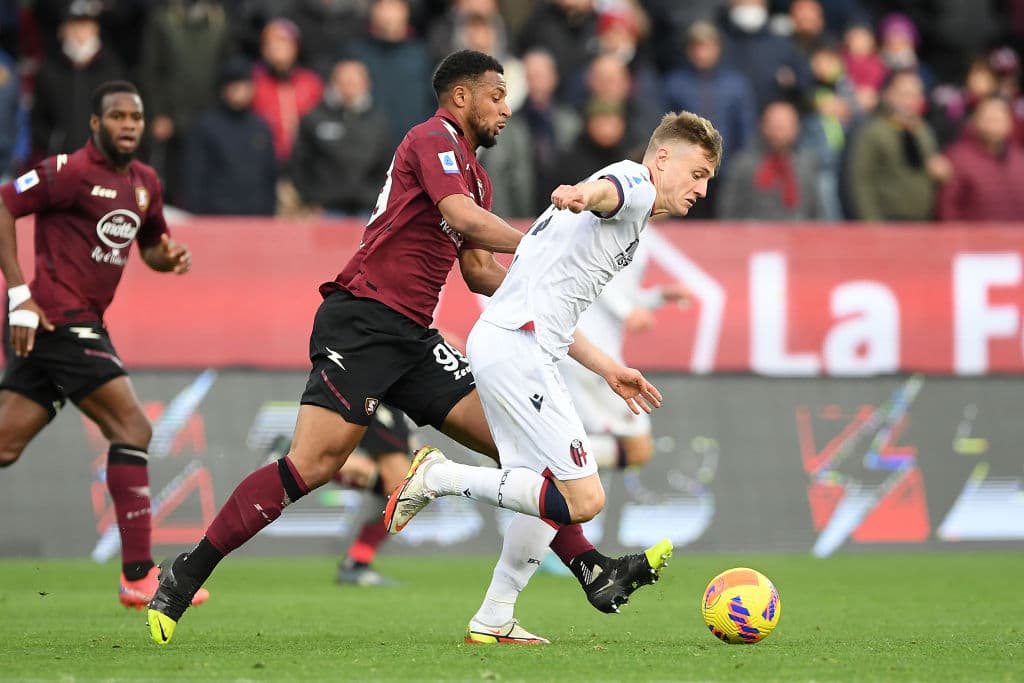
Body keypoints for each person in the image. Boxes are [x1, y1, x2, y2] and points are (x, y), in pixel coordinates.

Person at [147, 50, 666, 646]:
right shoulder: (430, 139)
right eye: (496, 95)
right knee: (313, 465)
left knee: (519, 447)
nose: (507, 107)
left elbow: (481, 273)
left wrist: (595, 355)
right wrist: (538, 247)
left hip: (415, 337)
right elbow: (460, 217)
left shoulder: (477, 173)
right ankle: (186, 573)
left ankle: (589, 567)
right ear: (462, 97)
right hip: (361, 321)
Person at [385, 110, 723, 644]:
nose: (701, 190)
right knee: (583, 499)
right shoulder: (635, 183)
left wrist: (610, 368)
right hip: (518, 348)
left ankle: (494, 616)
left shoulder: (630, 214)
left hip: (516, 340)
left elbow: (556, 310)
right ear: (663, 158)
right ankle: (438, 477)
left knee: (540, 498)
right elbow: (611, 189)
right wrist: (583, 194)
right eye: (698, 173)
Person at [0, 81, 207, 610]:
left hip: (82, 321)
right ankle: (138, 575)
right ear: (96, 124)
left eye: (135, 116)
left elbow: (152, 248)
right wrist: (19, 293)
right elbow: (3, 205)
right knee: (133, 427)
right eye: (116, 116)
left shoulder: (144, 183)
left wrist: (170, 259)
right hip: (53, 319)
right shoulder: (67, 171)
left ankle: (136, 575)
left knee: (5, 444)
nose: (128, 124)